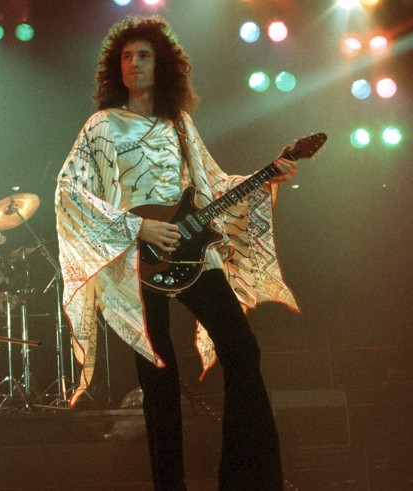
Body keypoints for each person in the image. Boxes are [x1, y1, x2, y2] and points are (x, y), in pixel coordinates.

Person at [55, 16, 300, 490]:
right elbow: (70, 190)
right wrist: (136, 226)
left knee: (243, 350)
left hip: (192, 251)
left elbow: (211, 186)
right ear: (115, 67)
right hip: (137, 257)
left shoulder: (180, 125)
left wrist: (265, 176)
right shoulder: (101, 126)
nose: (133, 64)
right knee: (158, 379)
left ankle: (248, 479)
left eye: (143, 55)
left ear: (161, 64)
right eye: (126, 56)